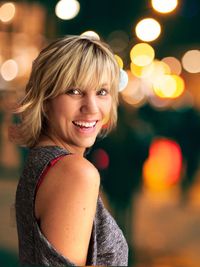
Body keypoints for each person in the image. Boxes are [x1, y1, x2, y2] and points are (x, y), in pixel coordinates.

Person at [13, 35, 129, 266]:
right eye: (74, 91)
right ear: (45, 99)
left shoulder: (42, 160)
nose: (92, 108)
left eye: (102, 92)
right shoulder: (75, 173)